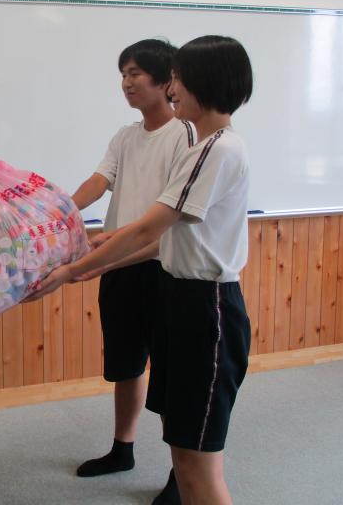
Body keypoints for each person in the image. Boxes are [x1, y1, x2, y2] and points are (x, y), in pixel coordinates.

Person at [30, 35, 253, 505]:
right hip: (180, 290)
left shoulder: (210, 148)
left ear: (201, 82)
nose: (172, 89)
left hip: (204, 304)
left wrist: (73, 270)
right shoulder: (200, 145)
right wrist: (89, 240)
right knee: (188, 450)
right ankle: (126, 450)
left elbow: (152, 228)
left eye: (176, 79)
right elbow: (157, 231)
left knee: (198, 462)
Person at [70, 39, 193, 505]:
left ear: (166, 81)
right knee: (126, 364)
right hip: (118, 262)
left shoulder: (186, 136)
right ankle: (122, 449)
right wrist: (60, 209)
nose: (126, 82)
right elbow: (98, 181)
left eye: (136, 73)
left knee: (171, 375)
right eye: (123, 73)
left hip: (163, 266)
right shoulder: (125, 136)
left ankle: (184, 473)